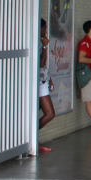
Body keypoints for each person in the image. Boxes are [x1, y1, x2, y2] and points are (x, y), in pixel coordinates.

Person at [37, 19, 55, 153]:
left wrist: (50, 78)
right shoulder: (38, 43)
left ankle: (33, 138)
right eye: (44, 29)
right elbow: (41, 63)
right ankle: (31, 136)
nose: (46, 31)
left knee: (42, 112)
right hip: (38, 83)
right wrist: (44, 47)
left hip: (43, 80)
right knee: (49, 114)